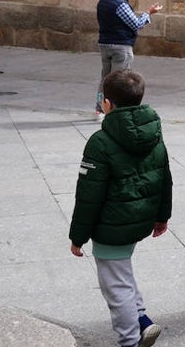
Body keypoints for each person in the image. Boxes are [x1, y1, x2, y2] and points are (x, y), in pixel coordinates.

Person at [69, 69, 171, 347]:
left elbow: (88, 196)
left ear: (106, 102)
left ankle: (129, 341)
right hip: (140, 219)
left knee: (115, 286)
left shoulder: (100, 142)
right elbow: (165, 177)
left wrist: (77, 236)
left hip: (111, 225)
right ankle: (142, 320)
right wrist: (162, 217)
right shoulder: (154, 133)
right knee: (122, 273)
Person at [97, 0, 162, 119]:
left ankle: (99, 109)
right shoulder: (120, 4)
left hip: (104, 44)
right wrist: (148, 13)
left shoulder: (102, 2)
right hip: (120, 46)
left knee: (105, 78)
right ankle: (116, 112)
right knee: (120, 81)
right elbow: (137, 24)